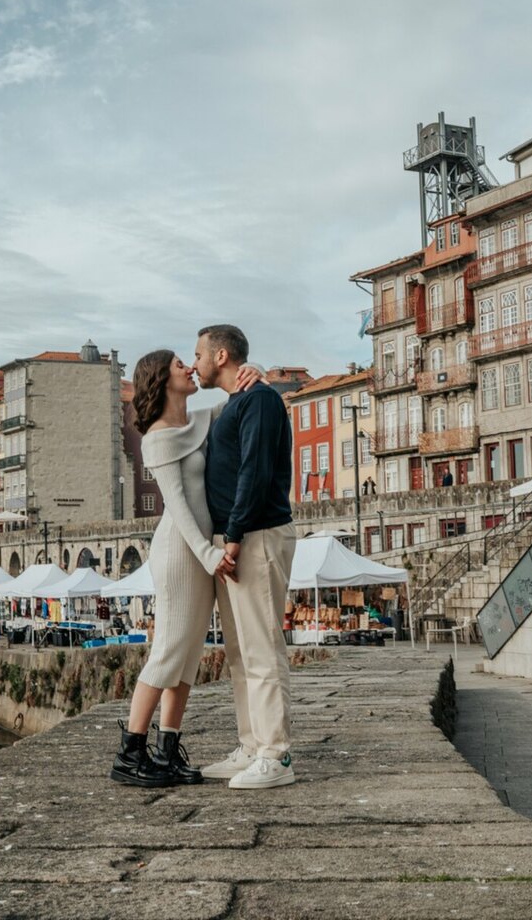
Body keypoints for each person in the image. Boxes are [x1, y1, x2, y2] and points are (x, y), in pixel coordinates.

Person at [111, 350, 261, 788]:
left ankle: (166, 751)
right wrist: (209, 554)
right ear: (161, 378)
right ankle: (130, 753)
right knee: (168, 651)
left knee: (189, 658)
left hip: (199, 554)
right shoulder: (157, 438)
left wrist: (256, 373)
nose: (190, 368)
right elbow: (177, 508)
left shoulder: (193, 423)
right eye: (180, 364)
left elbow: (233, 402)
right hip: (180, 552)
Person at [195, 324, 298, 790]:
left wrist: (233, 536)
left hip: (254, 536)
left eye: (197, 354)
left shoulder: (260, 400)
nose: (193, 361)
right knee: (239, 653)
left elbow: (255, 470)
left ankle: (276, 756)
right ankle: (252, 745)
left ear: (220, 355)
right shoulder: (235, 402)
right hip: (232, 539)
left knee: (261, 649)